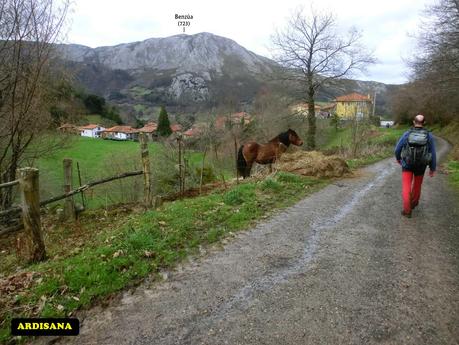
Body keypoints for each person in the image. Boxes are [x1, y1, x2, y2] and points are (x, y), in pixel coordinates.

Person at [394, 114, 436, 217]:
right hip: (421, 166)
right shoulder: (428, 136)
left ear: (414, 122)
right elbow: (433, 153)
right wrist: (432, 168)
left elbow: (397, 149)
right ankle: (414, 203)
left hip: (407, 164)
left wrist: (399, 159)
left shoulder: (407, 134)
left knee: (406, 186)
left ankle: (407, 210)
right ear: (424, 122)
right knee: (417, 185)